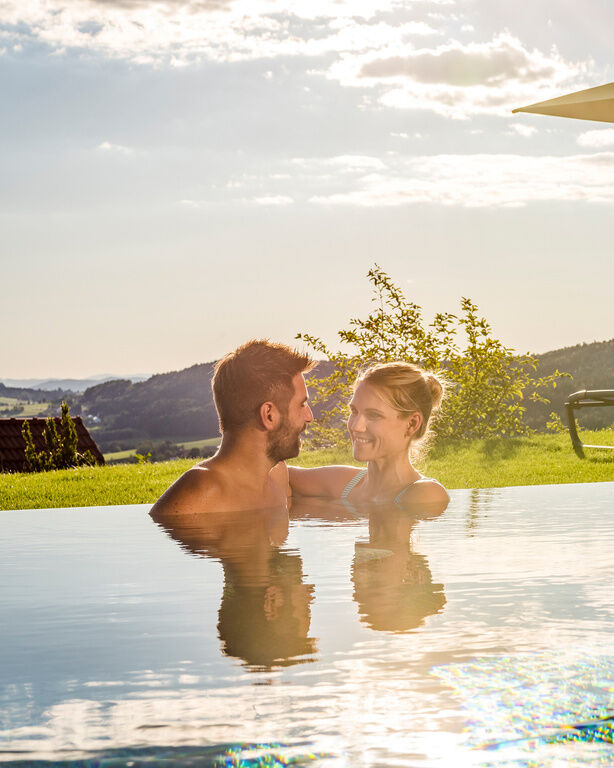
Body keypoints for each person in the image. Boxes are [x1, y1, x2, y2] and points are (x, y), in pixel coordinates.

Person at [150, 339, 316, 516]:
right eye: (302, 404)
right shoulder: (200, 494)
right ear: (269, 415)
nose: (310, 417)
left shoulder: (276, 477)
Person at [288, 361, 449, 507]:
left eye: (373, 415)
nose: (356, 426)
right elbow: (272, 471)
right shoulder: (347, 484)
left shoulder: (426, 493)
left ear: (412, 424)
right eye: (354, 411)